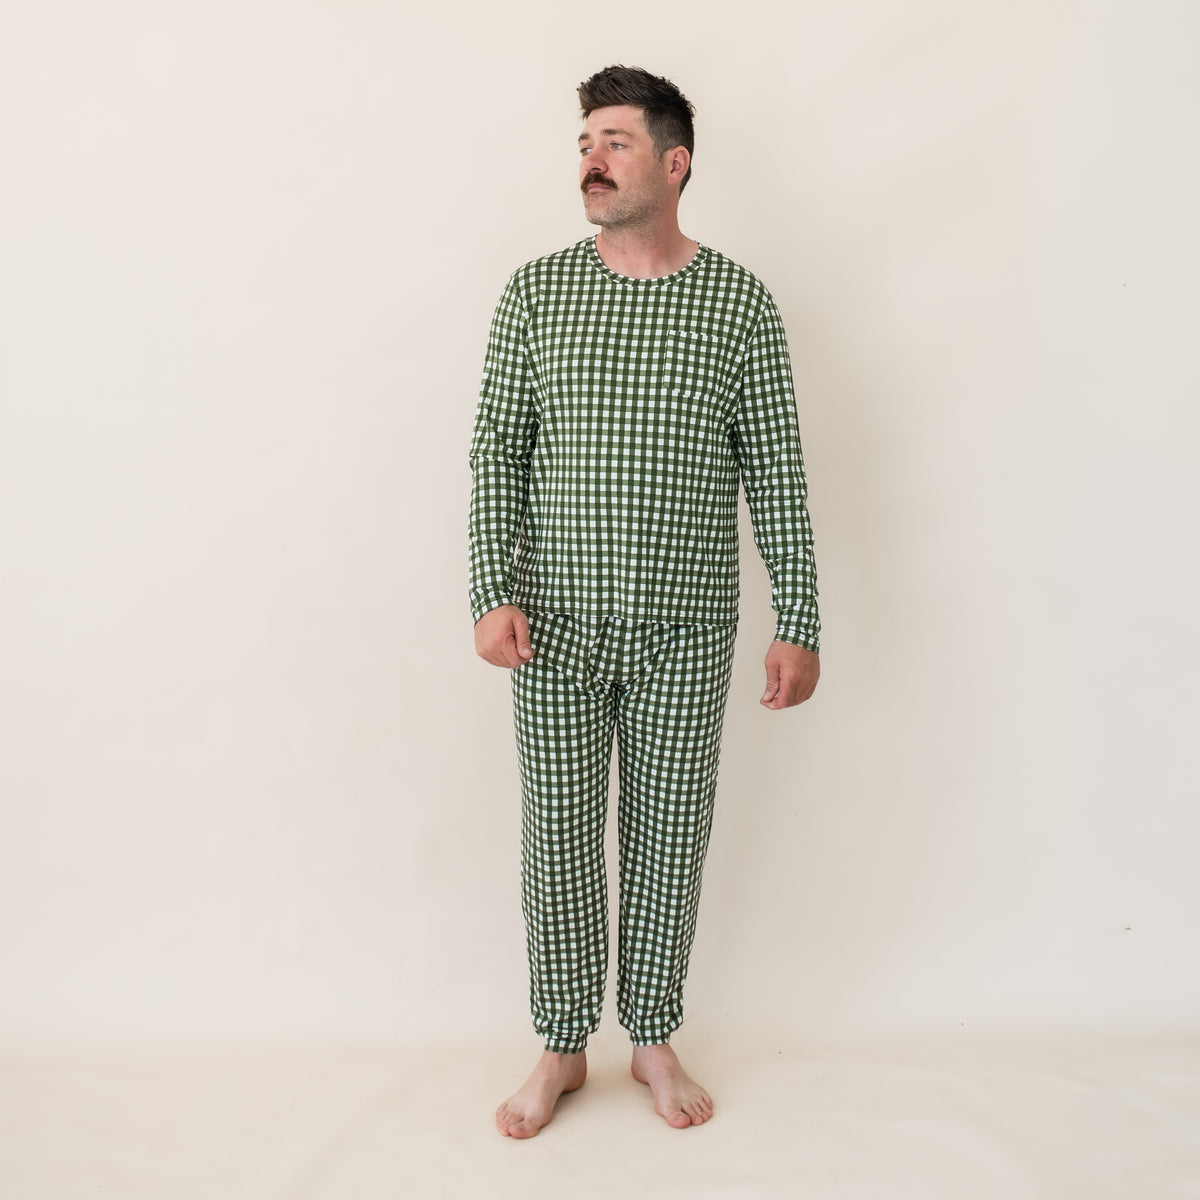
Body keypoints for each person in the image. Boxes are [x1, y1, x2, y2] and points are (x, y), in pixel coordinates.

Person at [468, 65, 820, 1138]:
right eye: (585, 142)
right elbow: (497, 453)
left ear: (675, 163)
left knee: (671, 837)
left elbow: (776, 472)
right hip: (554, 626)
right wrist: (490, 589)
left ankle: (653, 1037)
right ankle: (562, 1046)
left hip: (687, 629)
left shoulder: (739, 303)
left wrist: (799, 619)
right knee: (559, 840)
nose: (591, 159)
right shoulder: (536, 294)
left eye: (615, 141)